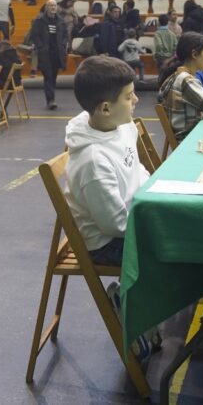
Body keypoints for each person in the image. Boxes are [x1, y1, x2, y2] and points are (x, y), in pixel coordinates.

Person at [63, 54, 147, 270]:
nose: (136, 100)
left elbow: (136, 170)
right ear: (106, 109)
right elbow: (116, 226)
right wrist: (156, 223)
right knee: (176, 248)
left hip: (133, 215)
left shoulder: (123, 125)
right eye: (128, 97)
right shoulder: (94, 162)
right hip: (107, 243)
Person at [30, 0, 69, 110]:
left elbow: (65, 35)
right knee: (48, 76)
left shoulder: (61, 21)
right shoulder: (39, 21)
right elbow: (34, 35)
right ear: (46, 7)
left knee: (53, 76)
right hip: (45, 53)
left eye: (55, 5)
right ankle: (50, 100)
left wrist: (63, 44)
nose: (53, 7)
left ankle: (51, 98)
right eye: (51, 5)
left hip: (57, 53)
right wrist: (41, 46)